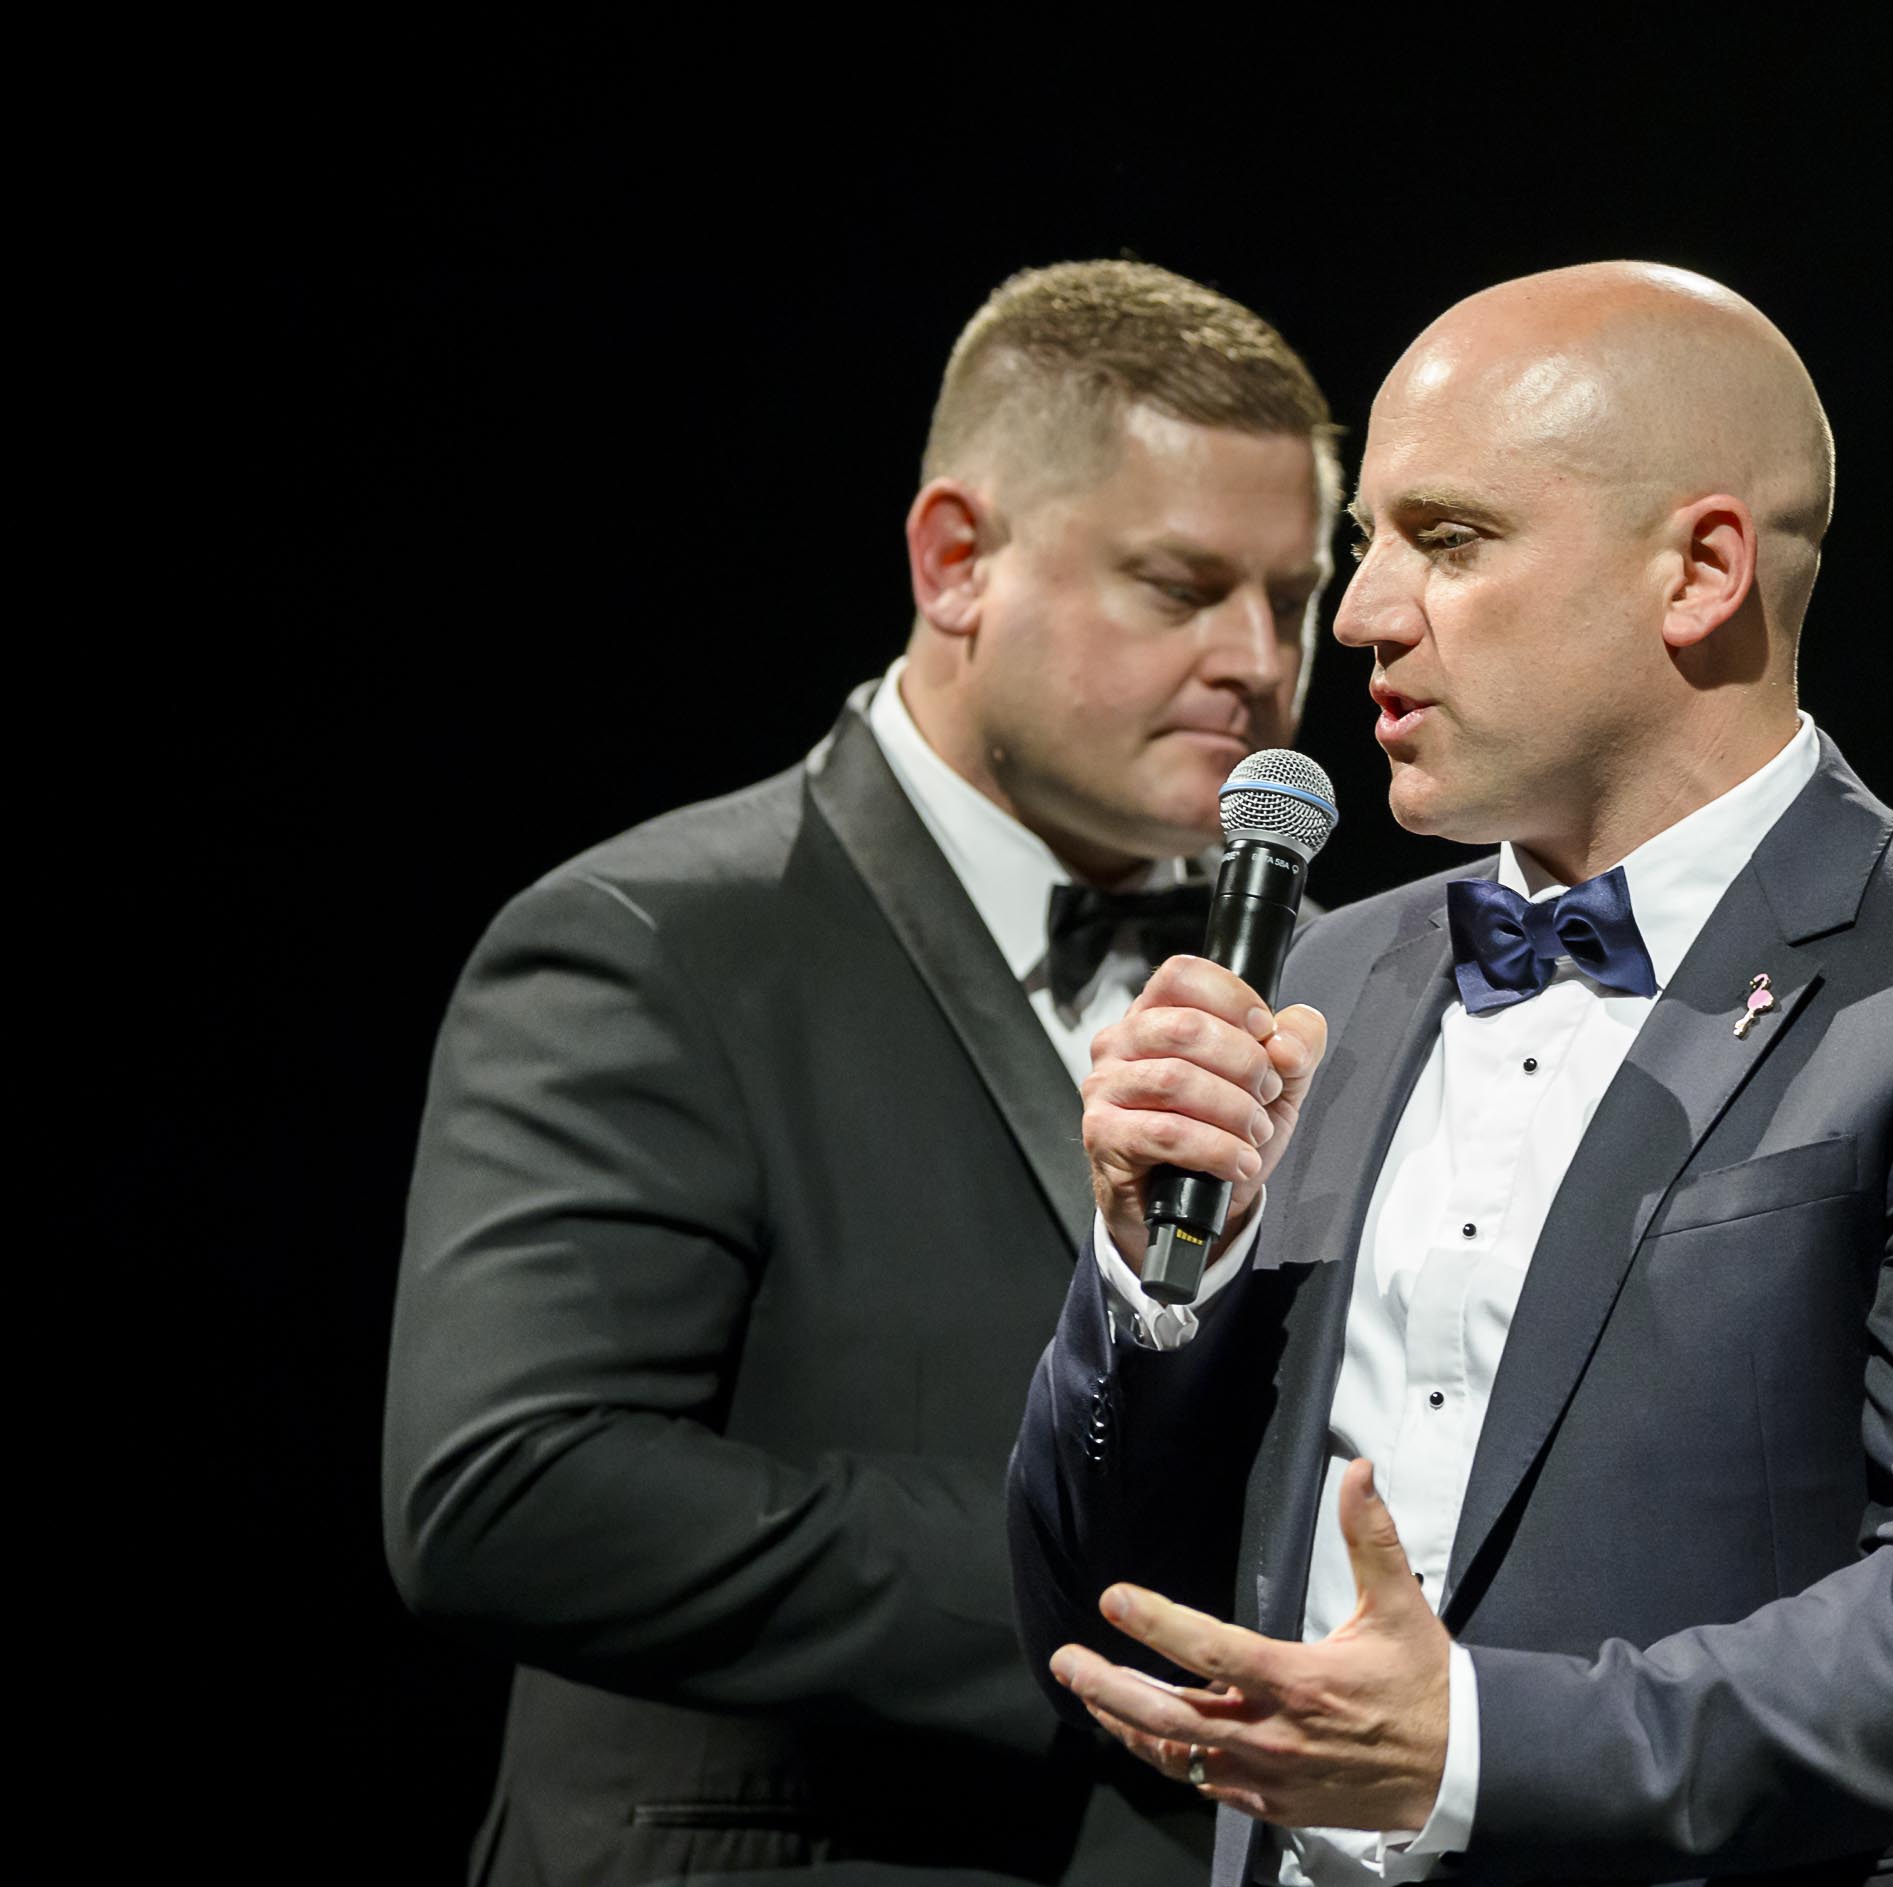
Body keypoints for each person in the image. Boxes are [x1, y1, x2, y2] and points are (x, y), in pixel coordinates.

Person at [1008, 262, 1893, 1886]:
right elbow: (1101, 1617)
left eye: (1449, 540)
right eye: (1370, 543)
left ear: (1702, 572)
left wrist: (1472, 1754)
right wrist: (1156, 1280)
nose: (1361, 615)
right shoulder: (1327, 978)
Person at [385, 259, 1339, 1886]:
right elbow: (508, 1490)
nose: (1256, 659)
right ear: (956, 562)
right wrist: (1101, 1589)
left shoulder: (1338, 979)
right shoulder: (652, 944)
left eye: (1294, 597)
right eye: (1180, 587)